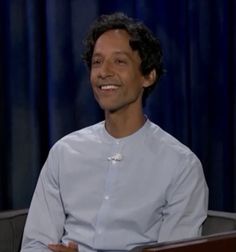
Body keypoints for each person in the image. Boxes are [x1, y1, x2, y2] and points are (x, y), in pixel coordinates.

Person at [21, 12, 208, 252]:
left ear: (148, 76)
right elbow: (35, 244)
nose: (104, 72)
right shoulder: (64, 152)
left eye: (119, 61)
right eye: (97, 62)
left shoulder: (181, 166)